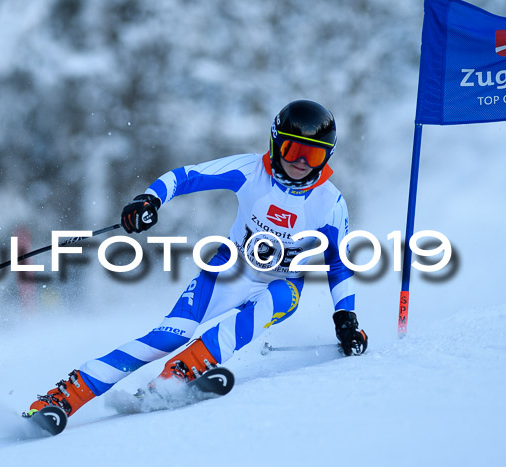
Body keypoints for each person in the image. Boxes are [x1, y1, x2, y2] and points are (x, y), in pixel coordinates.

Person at [25, 100, 368, 419]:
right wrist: (149, 200)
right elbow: (185, 177)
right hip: (229, 269)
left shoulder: (329, 202)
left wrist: (345, 317)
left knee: (274, 301)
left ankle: (180, 372)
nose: (302, 162)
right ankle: (63, 397)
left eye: (315, 155)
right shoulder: (251, 171)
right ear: (277, 143)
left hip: (282, 283)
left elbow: (338, 263)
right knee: (168, 336)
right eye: (294, 150)